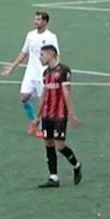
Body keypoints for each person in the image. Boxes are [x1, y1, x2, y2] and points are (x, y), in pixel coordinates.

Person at [2, 11, 59, 137]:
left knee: (41, 100)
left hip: (43, 73)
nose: (35, 22)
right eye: (35, 19)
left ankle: (41, 127)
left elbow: (56, 55)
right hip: (30, 73)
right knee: (24, 98)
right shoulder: (30, 35)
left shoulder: (51, 37)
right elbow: (24, 53)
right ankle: (34, 120)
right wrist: (12, 67)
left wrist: (55, 71)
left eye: (38, 20)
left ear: (45, 21)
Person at [33, 45, 82, 188]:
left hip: (59, 115)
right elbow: (44, 95)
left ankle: (76, 165)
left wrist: (72, 114)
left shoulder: (64, 71)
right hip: (47, 115)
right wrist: (37, 117)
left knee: (60, 145)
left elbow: (66, 93)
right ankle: (53, 177)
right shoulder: (45, 73)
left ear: (50, 55)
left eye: (42, 55)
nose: (40, 58)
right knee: (48, 143)